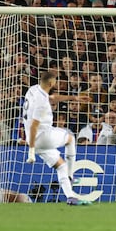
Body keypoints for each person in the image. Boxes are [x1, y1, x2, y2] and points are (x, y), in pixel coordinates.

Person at [23, 71, 91, 205]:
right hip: (42, 137)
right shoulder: (42, 103)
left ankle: (71, 197)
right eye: (55, 81)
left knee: (61, 166)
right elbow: (34, 126)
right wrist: (31, 152)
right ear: (50, 83)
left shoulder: (34, 90)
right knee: (70, 138)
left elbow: (52, 98)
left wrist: (74, 98)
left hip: (33, 140)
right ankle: (71, 176)